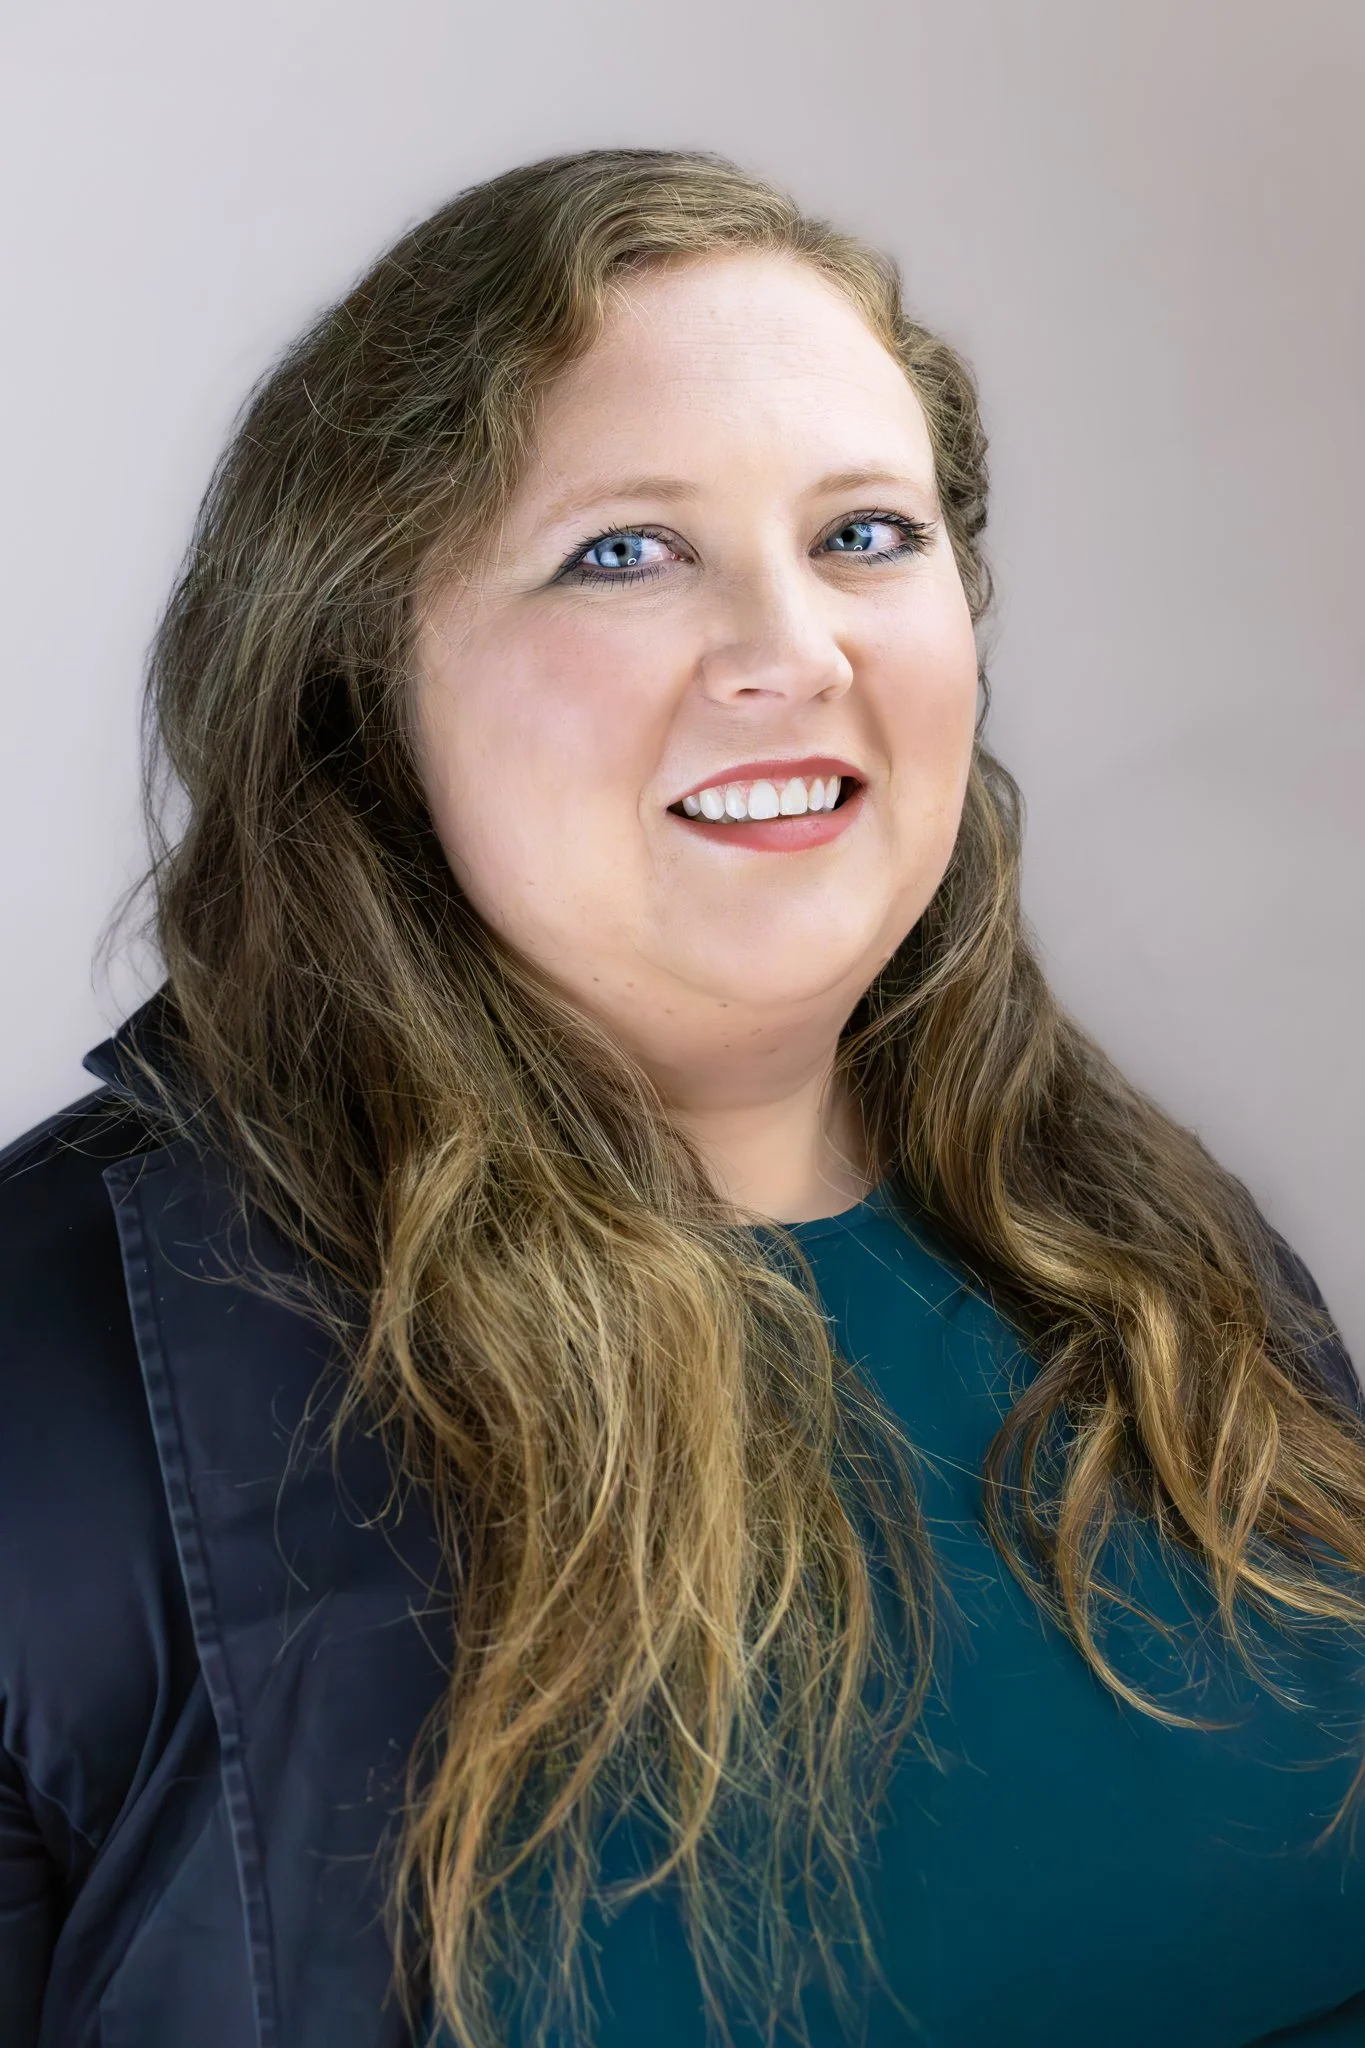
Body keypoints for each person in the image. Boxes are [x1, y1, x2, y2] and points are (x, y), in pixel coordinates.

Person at [2, 146, 1363, 2048]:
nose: (792, 654)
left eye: (865, 535)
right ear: (359, 677)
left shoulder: (1165, 1252)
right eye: (625, 553)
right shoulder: (46, 1388)